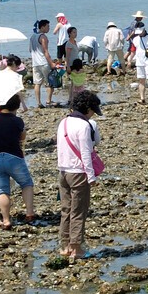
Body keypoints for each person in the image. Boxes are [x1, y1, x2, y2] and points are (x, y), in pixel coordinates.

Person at [56, 90, 103, 259]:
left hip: (63, 171)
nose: (92, 115)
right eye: (92, 111)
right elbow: (86, 152)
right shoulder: (84, 125)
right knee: (78, 211)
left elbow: (61, 147)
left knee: (66, 210)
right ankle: (76, 249)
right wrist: (91, 176)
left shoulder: (64, 122)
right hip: (78, 173)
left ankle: (65, 245)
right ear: (88, 108)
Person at [0, 94, 35, 229]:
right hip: (14, 157)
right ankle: (29, 213)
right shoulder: (17, 121)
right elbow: (22, 136)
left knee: (3, 190)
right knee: (26, 183)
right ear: (17, 106)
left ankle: (6, 220)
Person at [29, 20, 57, 108]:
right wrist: (51, 63)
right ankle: (48, 101)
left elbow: (30, 50)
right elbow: (45, 51)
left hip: (35, 63)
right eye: (47, 26)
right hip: (43, 62)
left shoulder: (32, 36)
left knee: (37, 83)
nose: (49, 28)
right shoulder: (43, 37)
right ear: (42, 27)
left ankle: (38, 103)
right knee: (50, 82)